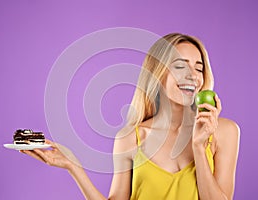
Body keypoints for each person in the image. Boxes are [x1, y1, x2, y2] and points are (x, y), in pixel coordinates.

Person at [22, 33, 240, 200]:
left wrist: (200, 148)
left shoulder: (224, 132)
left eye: (199, 68)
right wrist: (74, 167)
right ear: (158, 73)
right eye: (180, 66)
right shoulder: (130, 137)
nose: (192, 76)